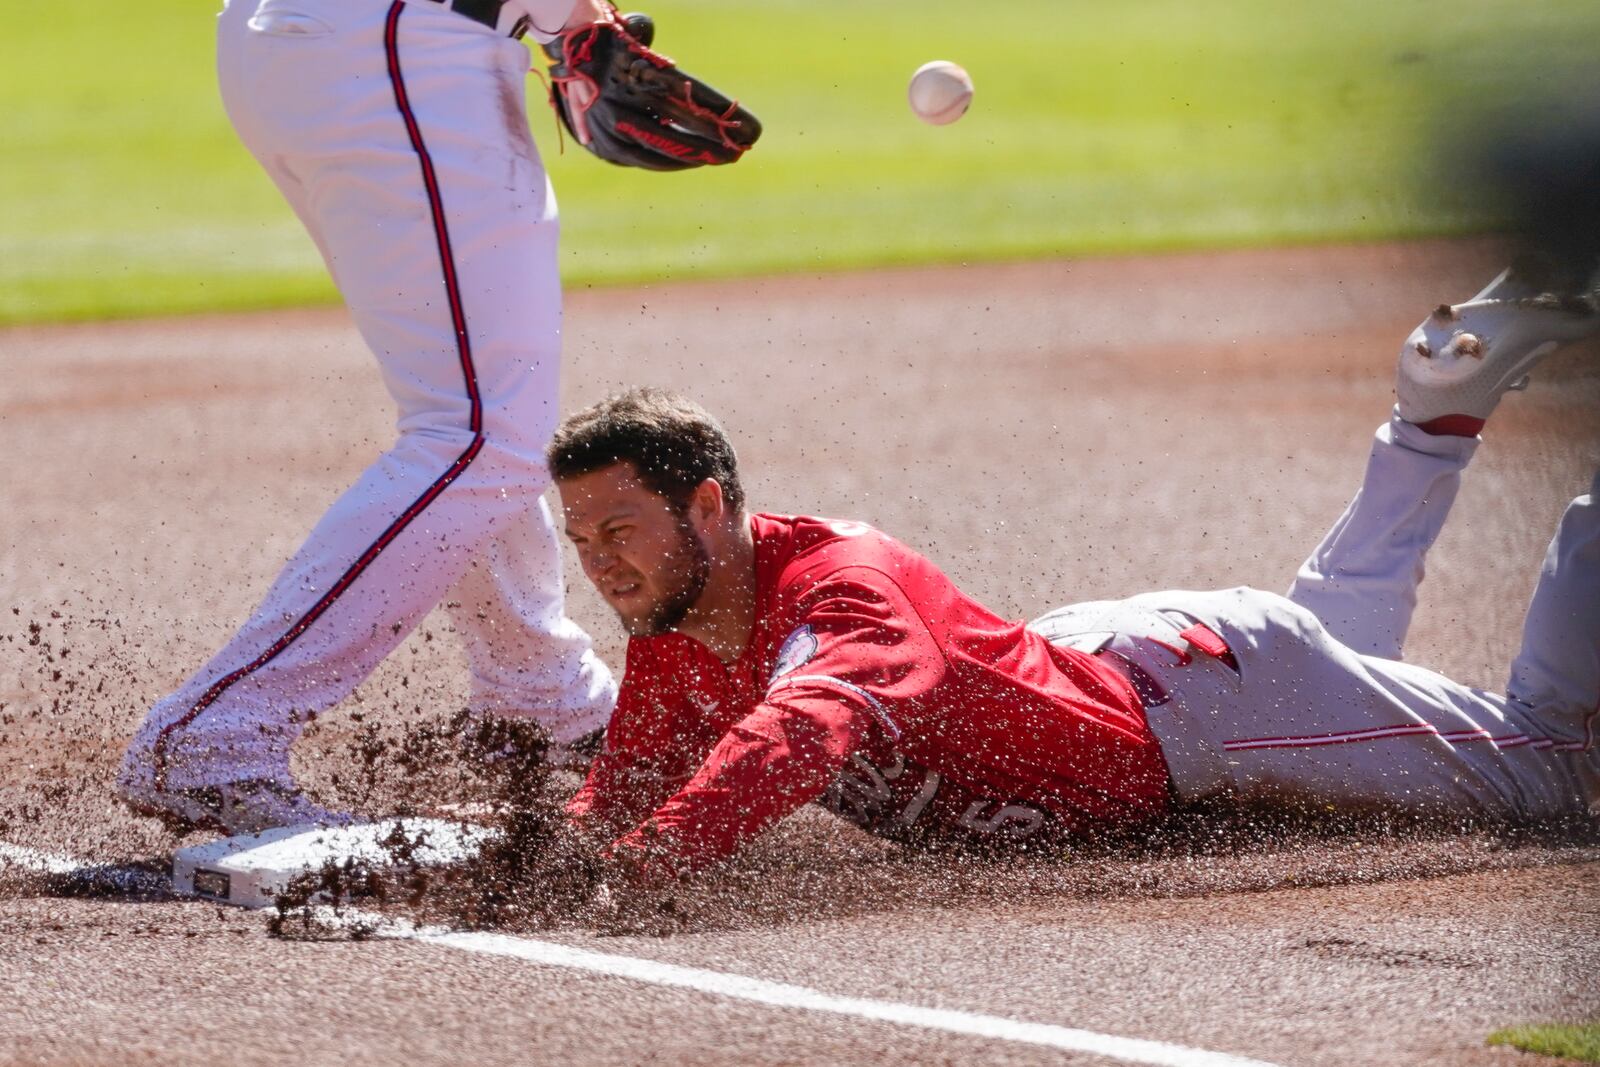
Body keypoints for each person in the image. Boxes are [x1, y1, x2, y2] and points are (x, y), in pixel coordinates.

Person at [549, 272, 1599, 882]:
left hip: (1196, 708)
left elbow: (799, 728)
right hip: (1145, 671)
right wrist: (562, 855)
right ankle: (1432, 415)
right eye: (581, 537)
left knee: (1557, 771)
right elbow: (625, 775)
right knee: (1334, 675)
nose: (599, 561)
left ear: (706, 507)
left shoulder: (839, 583)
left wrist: (655, 859)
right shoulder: (679, 630)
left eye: (619, 527)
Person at [115, 0, 639, 834]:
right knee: (480, 432)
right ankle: (212, 737)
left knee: (478, 414)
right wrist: (576, 21)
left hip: (331, 44)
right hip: (400, 51)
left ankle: (541, 701)